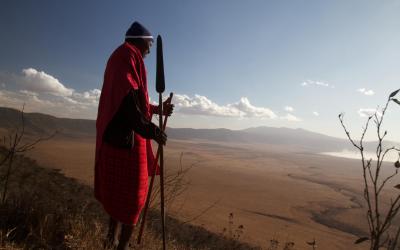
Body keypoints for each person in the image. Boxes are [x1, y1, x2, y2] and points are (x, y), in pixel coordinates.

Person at [94, 21, 173, 250]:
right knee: (133, 199)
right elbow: (128, 106)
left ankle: (112, 240)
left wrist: (158, 110)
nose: (150, 49)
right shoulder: (127, 55)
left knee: (119, 197)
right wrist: (152, 130)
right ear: (140, 39)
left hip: (121, 137)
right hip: (126, 141)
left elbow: (131, 99)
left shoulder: (122, 56)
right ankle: (122, 246)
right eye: (149, 44)